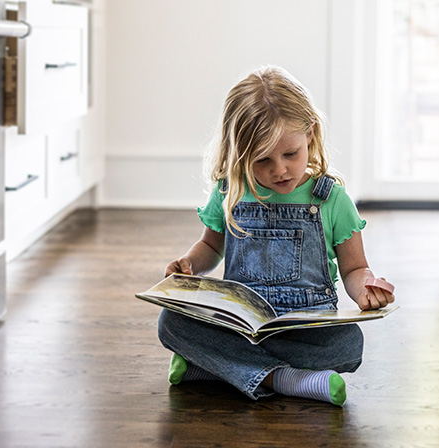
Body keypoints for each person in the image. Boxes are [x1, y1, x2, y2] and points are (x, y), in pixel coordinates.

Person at [158, 65, 395, 406]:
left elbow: (355, 269)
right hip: (239, 324)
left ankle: (216, 369)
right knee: (171, 323)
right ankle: (289, 379)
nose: (279, 169)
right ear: (238, 152)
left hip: (302, 329)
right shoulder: (230, 192)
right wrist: (190, 265)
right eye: (261, 160)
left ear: (310, 134)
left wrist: (366, 291)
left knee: (348, 345)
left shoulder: (330, 199)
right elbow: (211, 245)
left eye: (290, 154)